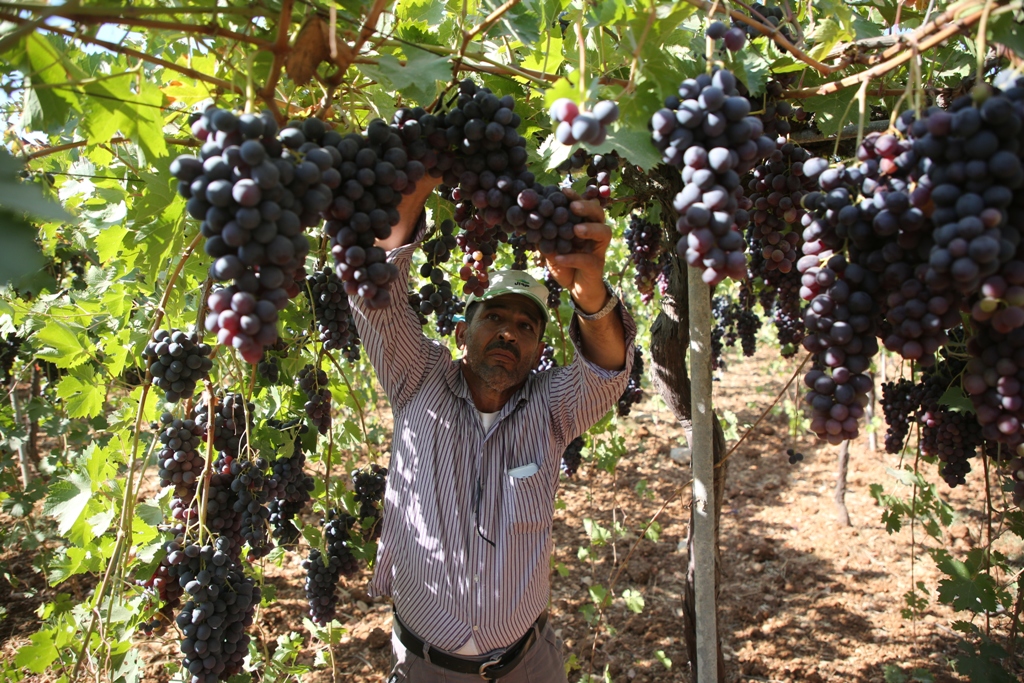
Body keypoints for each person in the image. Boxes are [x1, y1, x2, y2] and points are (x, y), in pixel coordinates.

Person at [349, 174, 635, 682]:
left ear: (539, 350)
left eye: (527, 327)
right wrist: (423, 173)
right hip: (425, 668)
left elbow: (608, 370)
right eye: (495, 316)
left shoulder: (551, 408)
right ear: (462, 331)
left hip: (527, 665)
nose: (509, 331)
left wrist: (589, 285)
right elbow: (378, 296)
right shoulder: (417, 379)